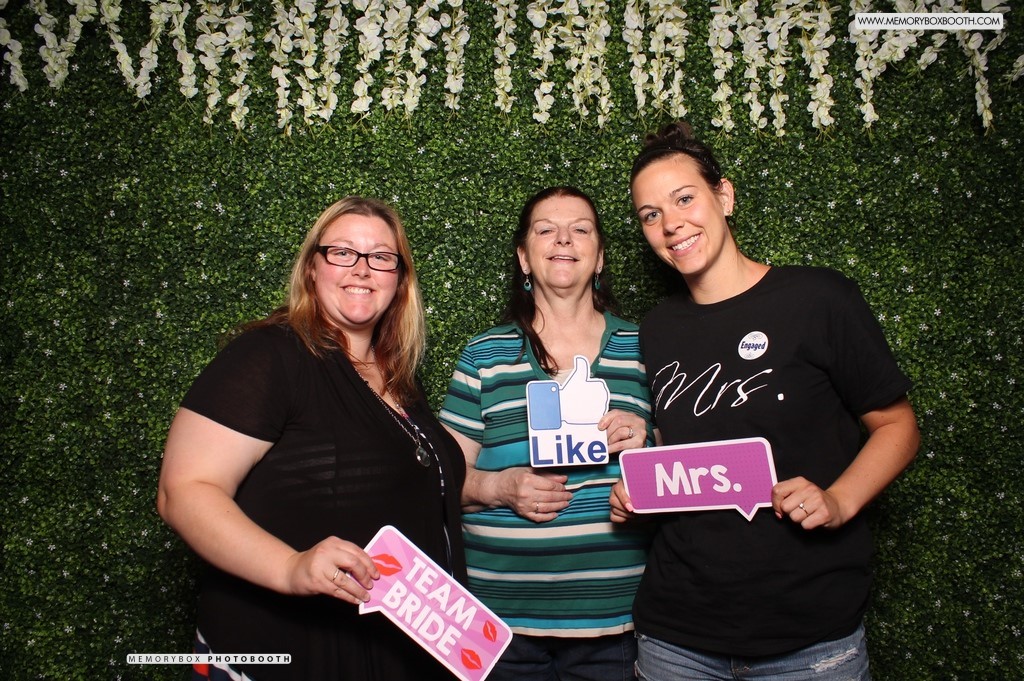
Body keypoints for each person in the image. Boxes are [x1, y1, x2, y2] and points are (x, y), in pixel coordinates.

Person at [610, 121, 920, 680]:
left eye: (685, 199)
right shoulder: (658, 328)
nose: (670, 223)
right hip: (677, 635)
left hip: (808, 638)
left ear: (724, 196)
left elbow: (898, 426)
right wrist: (645, 489)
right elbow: (687, 446)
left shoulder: (818, 298)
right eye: (650, 214)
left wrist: (838, 500)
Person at [157, 196, 466, 681]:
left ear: (400, 280)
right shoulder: (270, 356)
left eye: (381, 257)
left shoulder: (396, 376)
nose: (362, 269)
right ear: (311, 269)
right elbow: (185, 490)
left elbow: (416, 482)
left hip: (389, 651)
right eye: (342, 252)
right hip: (285, 650)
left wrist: (502, 486)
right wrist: (291, 567)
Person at [439, 186, 654, 681]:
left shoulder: (643, 348)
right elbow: (444, 478)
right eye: (546, 230)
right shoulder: (484, 356)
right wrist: (499, 487)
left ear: (600, 257)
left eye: (580, 229)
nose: (563, 239)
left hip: (613, 620)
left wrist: (647, 445)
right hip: (498, 624)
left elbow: (685, 475)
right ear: (523, 257)